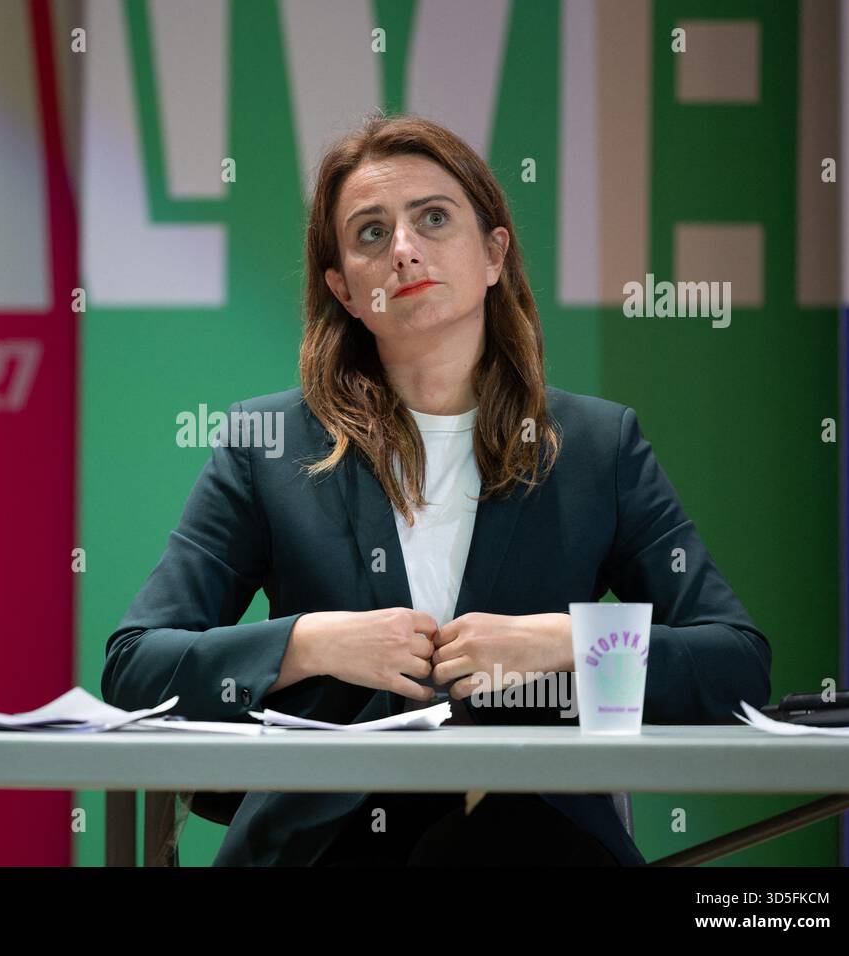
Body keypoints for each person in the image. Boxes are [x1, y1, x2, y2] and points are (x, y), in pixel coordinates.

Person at [101, 112, 772, 867]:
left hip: (533, 848)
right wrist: (313, 643)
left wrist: (561, 644)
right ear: (344, 290)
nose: (405, 250)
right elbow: (135, 670)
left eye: (433, 218)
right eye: (370, 234)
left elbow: (735, 665)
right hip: (325, 850)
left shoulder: (596, 447)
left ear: (493, 254)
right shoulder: (268, 446)